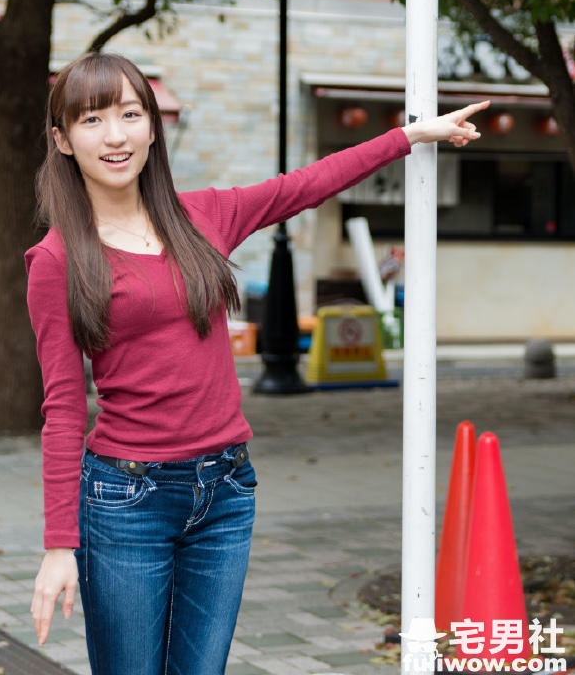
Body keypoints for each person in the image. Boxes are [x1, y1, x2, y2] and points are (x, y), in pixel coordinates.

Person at [26, 51, 488, 675]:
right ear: (62, 139)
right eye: (91, 120)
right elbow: (60, 407)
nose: (115, 136)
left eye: (130, 114)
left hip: (225, 492)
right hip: (127, 498)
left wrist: (409, 136)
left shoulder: (203, 215)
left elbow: (306, 185)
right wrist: (60, 545)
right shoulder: (57, 260)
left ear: (153, 126)